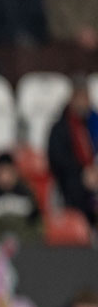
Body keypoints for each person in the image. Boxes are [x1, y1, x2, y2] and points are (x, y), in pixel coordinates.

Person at [46, 78, 98, 223]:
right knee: (75, 186)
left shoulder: (94, 122)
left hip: (94, 174)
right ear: (72, 99)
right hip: (73, 179)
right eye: (79, 97)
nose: (82, 102)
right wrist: (83, 172)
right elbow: (57, 160)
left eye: (85, 97)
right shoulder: (60, 128)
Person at [0, 152, 41, 243]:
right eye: (2, 173)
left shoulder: (26, 193)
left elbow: (36, 223)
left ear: (15, 173)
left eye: (9, 172)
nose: (5, 177)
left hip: (24, 245)